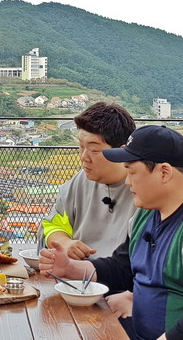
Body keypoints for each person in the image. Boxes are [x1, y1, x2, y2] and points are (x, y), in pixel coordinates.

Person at [40, 125, 183, 340]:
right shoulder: (146, 214)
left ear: (164, 172)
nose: (127, 182)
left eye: (132, 172)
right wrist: (69, 268)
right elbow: (122, 268)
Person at [39, 102, 138, 259]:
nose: (84, 157)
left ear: (121, 151)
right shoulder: (80, 181)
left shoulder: (143, 188)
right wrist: (64, 243)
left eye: (94, 150)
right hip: (76, 276)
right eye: (81, 146)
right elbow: (51, 225)